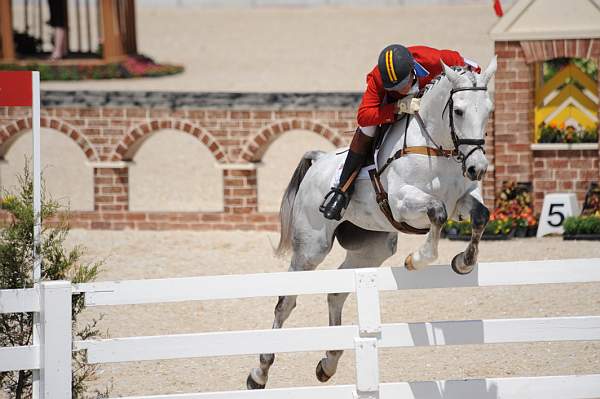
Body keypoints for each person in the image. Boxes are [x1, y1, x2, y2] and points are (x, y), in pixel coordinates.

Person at [320, 44, 480, 220]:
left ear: (413, 69)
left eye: (403, 84)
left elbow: (473, 68)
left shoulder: (435, 59)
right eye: (394, 87)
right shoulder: (378, 77)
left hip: (432, 110)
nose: (400, 90)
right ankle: (342, 190)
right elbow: (363, 116)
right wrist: (396, 106)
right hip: (393, 109)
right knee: (367, 129)